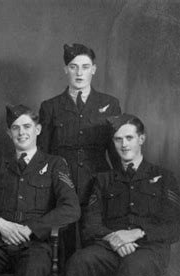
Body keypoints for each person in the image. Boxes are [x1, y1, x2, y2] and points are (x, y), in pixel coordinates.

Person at [0, 104, 80, 276]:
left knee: (35, 265)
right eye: (15, 128)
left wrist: (29, 229)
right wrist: (1, 224)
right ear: (9, 133)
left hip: (34, 244)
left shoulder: (55, 164)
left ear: (38, 130)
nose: (21, 132)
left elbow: (71, 208)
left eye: (27, 127)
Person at [63, 114, 180, 276]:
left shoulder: (164, 177)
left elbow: (175, 225)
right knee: (79, 261)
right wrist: (116, 239)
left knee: (134, 267)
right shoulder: (103, 180)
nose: (124, 145)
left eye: (129, 138)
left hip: (149, 250)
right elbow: (90, 226)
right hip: (109, 247)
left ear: (141, 139)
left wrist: (138, 233)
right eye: (118, 139)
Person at [38, 43, 122, 206]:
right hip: (62, 181)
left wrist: (120, 183)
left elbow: (116, 151)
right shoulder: (50, 106)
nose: (79, 73)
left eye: (85, 66)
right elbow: (43, 152)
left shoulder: (110, 104)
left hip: (98, 180)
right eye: (73, 67)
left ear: (94, 69)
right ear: (65, 70)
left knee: (95, 228)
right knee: (64, 229)